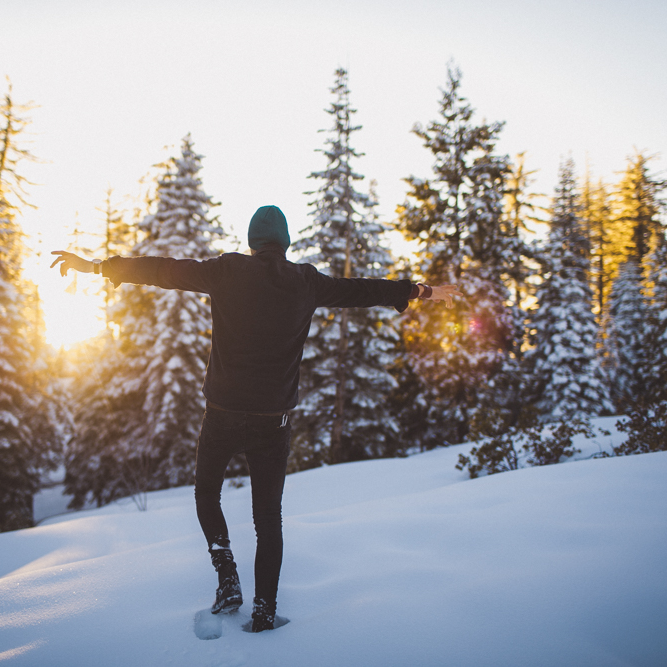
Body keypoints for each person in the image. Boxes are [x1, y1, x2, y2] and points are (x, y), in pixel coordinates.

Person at [50, 205, 460, 632]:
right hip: (273, 423)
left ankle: (226, 573)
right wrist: (420, 291)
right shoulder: (305, 282)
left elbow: (163, 270)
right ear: (285, 242)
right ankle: (264, 610)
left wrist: (99, 266)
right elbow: (361, 290)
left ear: (252, 241)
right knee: (268, 520)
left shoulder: (227, 272)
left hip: (222, 414)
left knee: (207, 493)